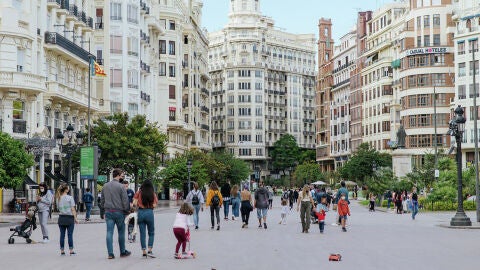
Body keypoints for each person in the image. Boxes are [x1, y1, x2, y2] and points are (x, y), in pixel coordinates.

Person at [100, 168, 131, 259]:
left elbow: (102, 200)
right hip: (119, 212)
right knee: (121, 232)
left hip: (108, 212)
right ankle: (122, 251)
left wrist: (103, 211)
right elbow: (125, 201)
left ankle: (110, 253)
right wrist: (127, 211)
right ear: (117, 175)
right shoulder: (121, 186)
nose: (123, 176)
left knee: (109, 232)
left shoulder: (105, 186)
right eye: (122, 175)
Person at [133, 180, 158, 258]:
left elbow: (134, 203)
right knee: (151, 232)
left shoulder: (139, 192)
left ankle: (144, 251)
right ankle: (150, 250)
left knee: (142, 233)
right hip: (149, 212)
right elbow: (155, 204)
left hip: (140, 212)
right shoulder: (152, 193)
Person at [56, 183, 78, 255]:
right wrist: (76, 218)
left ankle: (62, 250)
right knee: (70, 235)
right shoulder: (70, 198)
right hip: (69, 218)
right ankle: (71, 250)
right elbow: (73, 209)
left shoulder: (58, 198)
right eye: (68, 188)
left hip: (61, 218)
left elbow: (58, 208)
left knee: (62, 235)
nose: (68, 189)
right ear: (66, 190)